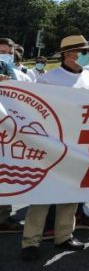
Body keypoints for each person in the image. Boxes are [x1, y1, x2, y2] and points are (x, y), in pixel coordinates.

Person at [17, 35, 89, 260]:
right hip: (52, 143)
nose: (88, 55)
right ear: (69, 55)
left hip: (80, 143)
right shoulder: (49, 79)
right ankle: (31, 241)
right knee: (43, 194)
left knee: (71, 191)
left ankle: (64, 235)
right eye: (84, 52)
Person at [0, 37, 24, 235]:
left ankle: (3, 217)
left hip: (9, 132)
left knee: (5, 175)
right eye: (1, 51)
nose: (4, 55)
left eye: (8, 51)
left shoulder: (17, 72)